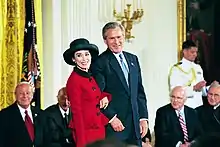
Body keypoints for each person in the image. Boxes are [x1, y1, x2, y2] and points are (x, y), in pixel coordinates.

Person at [91, 21, 148, 146]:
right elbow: (98, 95)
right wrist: (111, 118)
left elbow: (139, 91)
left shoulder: (133, 59)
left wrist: (143, 118)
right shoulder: (100, 63)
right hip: (116, 126)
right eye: (112, 38)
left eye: (119, 37)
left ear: (124, 37)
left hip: (135, 125)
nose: (117, 42)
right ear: (105, 41)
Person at [63, 38, 111, 147]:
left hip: (98, 129)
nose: (84, 59)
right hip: (86, 133)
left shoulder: (88, 75)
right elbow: (77, 113)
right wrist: (81, 143)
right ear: (74, 59)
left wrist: (105, 97)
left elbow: (93, 96)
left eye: (86, 54)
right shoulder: (74, 80)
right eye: (79, 55)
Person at [169, 40, 212, 108]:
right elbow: (173, 90)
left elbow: (203, 92)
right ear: (184, 51)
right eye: (192, 52)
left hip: (199, 105)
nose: (195, 54)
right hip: (186, 105)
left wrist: (211, 88)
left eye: (196, 52)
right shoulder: (177, 69)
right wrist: (193, 88)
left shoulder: (198, 68)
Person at [0, 82, 44, 147]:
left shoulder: (41, 114)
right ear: (15, 95)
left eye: (28, 93)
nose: (25, 96)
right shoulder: (4, 115)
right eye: (21, 93)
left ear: (32, 95)